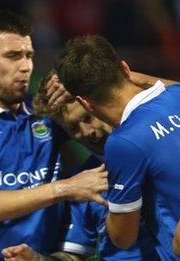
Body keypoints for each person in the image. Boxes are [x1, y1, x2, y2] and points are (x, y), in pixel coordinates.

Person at [0, 11, 108, 260]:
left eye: (29, 55)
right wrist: (65, 188)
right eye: (12, 56)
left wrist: (79, 88)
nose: (25, 66)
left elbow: (111, 135)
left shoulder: (44, 110)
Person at [2, 71, 171, 260]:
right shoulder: (83, 185)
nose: (86, 131)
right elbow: (74, 256)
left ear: (95, 105)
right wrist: (38, 259)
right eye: (74, 128)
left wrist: (116, 74)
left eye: (87, 118)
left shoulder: (159, 140)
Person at [55, 34, 180, 260]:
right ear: (125, 68)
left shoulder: (123, 143)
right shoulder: (175, 94)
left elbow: (123, 237)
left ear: (85, 102)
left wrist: (112, 196)